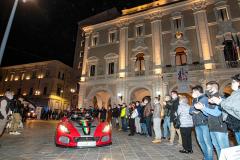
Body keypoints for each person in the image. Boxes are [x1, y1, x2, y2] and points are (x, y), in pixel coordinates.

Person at [195, 81, 229, 158]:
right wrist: (202, 109)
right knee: (217, 148)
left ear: (213, 87)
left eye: (207, 88)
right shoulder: (210, 98)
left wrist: (203, 108)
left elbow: (217, 113)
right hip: (212, 127)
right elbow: (208, 114)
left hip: (220, 128)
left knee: (224, 150)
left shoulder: (220, 97)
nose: (206, 89)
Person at [209, 74, 240, 145]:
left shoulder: (238, 94)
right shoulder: (234, 94)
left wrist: (220, 102)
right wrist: (219, 103)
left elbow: (236, 108)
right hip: (236, 126)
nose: (231, 83)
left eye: (233, 82)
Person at [190, 85, 213, 160]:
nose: (192, 93)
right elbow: (190, 111)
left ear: (197, 91)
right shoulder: (194, 99)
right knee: (201, 142)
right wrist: (195, 109)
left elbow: (197, 110)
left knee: (207, 142)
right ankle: (206, 157)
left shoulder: (204, 98)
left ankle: (209, 158)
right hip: (196, 123)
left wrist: (195, 109)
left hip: (204, 123)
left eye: (193, 91)